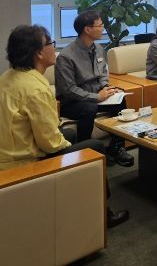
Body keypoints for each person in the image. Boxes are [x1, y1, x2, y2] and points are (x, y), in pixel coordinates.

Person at [0, 25, 128, 227]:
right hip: (24, 162)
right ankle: (104, 213)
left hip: (9, 151)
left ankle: (77, 192)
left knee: (70, 133)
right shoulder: (36, 88)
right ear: (39, 53)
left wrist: (64, 139)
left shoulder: (8, 77)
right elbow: (50, 144)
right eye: (50, 43)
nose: (54, 48)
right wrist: (70, 147)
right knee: (94, 147)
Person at [55, 10, 134, 167]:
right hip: (72, 101)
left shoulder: (98, 48)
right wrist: (96, 97)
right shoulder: (66, 56)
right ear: (87, 29)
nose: (103, 28)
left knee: (120, 100)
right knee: (89, 108)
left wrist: (107, 87)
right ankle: (85, 150)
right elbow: (68, 89)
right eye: (100, 25)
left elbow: (103, 73)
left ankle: (116, 147)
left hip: (96, 95)